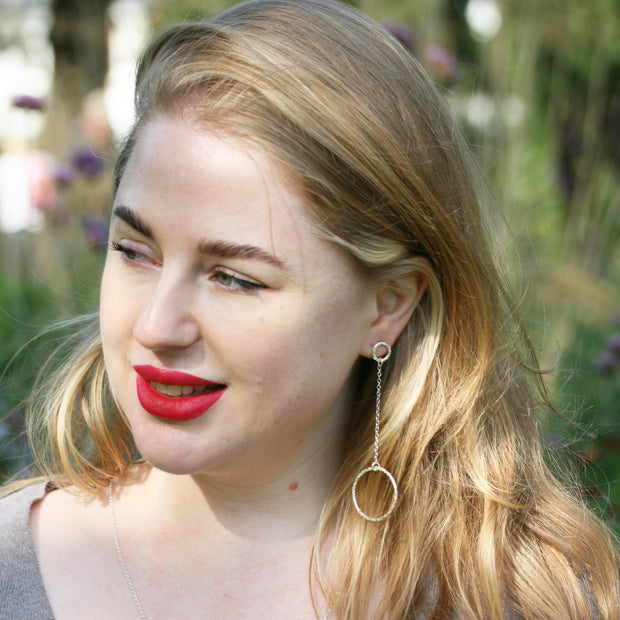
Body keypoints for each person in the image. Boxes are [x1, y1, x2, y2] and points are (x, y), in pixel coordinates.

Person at [1, 0, 618, 618]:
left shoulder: (522, 600)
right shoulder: (15, 568)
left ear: (387, 307)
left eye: (235, 278)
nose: (156, 327)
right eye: (135, 252)